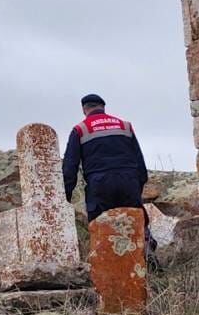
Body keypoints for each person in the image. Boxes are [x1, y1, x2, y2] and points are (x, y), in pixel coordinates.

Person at [61, 93, 150, 225]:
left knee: (101, 230)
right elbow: (140, 162)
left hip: (100, 186)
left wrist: (65, 197)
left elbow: (70, 167)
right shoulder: (125, 126)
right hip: (129, 182)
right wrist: (138, 186)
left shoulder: (80, 129)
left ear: (84, 109)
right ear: (103, 107)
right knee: (134, 228)